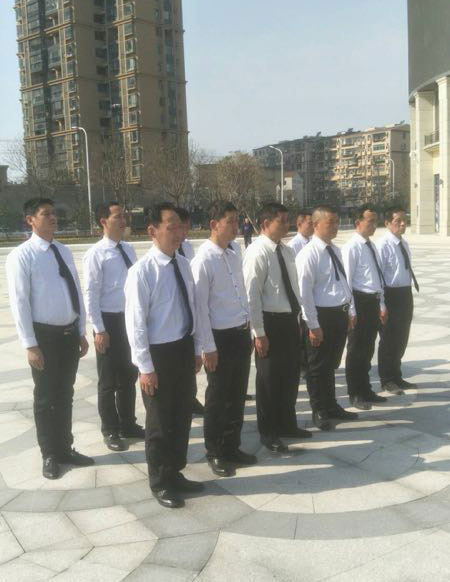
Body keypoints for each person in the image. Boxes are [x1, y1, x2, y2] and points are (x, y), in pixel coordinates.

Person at [6, 198, 94, 479]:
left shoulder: (62, 251)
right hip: (44, 338)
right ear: (30, 220)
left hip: (68, 334)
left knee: (65, 394)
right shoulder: (22, 256)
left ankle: (65, 448)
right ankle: (50, 454)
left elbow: (75, 291)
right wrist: (30, 344)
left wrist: (81, 331)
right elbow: (20, 302)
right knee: (45, 397)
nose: (53, 218)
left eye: (54, 213)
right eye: (46, 214)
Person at [125, 202, 204, 509]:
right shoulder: (142, 272)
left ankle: (175, 471)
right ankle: (160, 481)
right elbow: (136, 324)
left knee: (182, 415)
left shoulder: (183, 264)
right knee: (160, 421)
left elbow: (192, 309)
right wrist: (145, 367)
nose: (178, 233)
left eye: (180, 227)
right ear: (152, 231)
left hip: (182, 348)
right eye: (171, 227)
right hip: (158, 355)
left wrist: (196, 349)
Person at [191, 201, 256, 478]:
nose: (235, 226)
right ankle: (216, 451)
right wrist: (208, 347)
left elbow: (241, 295)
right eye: (230, 221)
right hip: (219, 338)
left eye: (236, 220)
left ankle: (232, 446)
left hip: (239, 333)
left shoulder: (233, 254)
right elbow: (200, 309)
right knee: (218, 397)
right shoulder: (203, 260)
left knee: (237, 395)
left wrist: (249, 327)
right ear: (213, 224)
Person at [243, 201, 311, 453]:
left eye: (287, 220)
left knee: (290, 376)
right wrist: (259, 333)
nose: (287, 225)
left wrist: (300, 318)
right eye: (281, 221)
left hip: (289, 320)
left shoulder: (286, 251)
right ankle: (269, 431)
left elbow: (293, 287)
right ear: (265, 224)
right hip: (269, 322)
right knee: (269, 380)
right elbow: (252, 296)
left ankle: (287, 423)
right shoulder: (257, 252)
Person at [83, 202, 144, 453]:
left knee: (129, 375)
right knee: (108, 380)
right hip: (109, 322)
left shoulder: (128, 249)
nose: (123, 220)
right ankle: (110, 429)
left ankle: (128, 423)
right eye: (117, 216)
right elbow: (91, 294)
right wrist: (99, 329)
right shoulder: (96, 254)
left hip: (129, 319)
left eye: (124, 215)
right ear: (103, 222)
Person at [296, 206, 358, 431]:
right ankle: (319, 409)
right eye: (330, 222)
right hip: (320, 316)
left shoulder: (335, 250)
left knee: (331, 364)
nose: (335, 226)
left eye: (336, 222)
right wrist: (313, 325)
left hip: (338, 314)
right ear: (316, 225)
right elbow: (304, 294)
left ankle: (331, 405)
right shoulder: (309, 254)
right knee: (317, 366)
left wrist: (350, 310)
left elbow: (343, 282)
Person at [342, 204, 388, 409]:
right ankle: (355, 393)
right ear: (358, 222)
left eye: (375, 221)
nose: (374, 225)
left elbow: (378, 278)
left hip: (373, 302)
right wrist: (351, 310)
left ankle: (366, 389)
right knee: (356, 350)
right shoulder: (351, 247)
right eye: (370, 221)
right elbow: (347, 282)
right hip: (359, 302)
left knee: (368, 348)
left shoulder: (372, 246)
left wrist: (382, 304)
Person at [376, 207, 419, 394]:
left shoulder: (403, 243)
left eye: (404, 220)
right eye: (397, 221)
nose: (402, 224)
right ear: (387, 223)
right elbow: (378, 277)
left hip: (404, 294)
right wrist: (382, 304)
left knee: (401, 337)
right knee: (388, 339)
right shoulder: (383, 245)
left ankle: (396, 375)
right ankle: (387, 379)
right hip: (390, 295)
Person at [176, 206, 204, 415]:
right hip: (173, 318)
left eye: (187, 227)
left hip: (188, 311)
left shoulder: (187, 248)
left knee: (189, 367)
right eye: (182, 227)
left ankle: (190, 398)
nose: (185, 232)